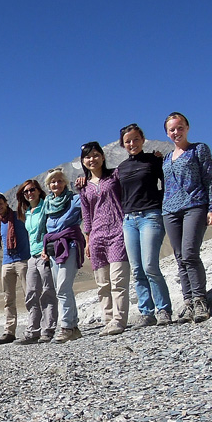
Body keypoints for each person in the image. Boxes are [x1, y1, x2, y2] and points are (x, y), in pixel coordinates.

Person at [162, 112, 212, 323]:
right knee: (179, 257)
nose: (176, 132)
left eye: (179, 127)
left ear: (187, 127)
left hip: (194, 206)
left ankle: (200, 300)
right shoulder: (166, 158)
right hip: (170, 211)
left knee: (190, 254)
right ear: (167, 133)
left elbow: (209, 179)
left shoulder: (199, 149)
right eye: (172, 129)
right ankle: (188, 302)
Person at [117, 123, 173, 327]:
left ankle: (164, 310)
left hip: (151, 216)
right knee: (137, 268)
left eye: (135, 139)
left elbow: (168, 182)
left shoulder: (154, 160)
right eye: (127, 141)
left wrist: (161, 201)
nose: (132, 144)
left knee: (150, 265)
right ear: (123, 145)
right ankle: (146, 312)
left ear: (142, 140)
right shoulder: (121, 168)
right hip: (129, 220)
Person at [78, 142, 130, 335]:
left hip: (118, 231)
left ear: (103, 156)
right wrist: (88, 240)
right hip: (97, 237)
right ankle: (108, 319)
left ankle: (119, 320)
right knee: (102, 284)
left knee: (118, 279)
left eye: (95, 155)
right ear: (83, 161)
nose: (92, 159)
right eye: (88, 157)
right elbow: (87, 216)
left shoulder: (115, 176)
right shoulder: (83, 188)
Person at [41, 168, 85, 343]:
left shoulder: (74, 200)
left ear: (65, 182)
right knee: (63, 289)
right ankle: (74, 327)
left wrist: (83, 187)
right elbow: (46, 228)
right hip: (53, 249)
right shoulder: (47, 204)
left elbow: (89, 206)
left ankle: (66, 327)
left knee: (63, 288)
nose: (56, 184)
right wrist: (44, 249)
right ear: (48, 185)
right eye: (52, 182)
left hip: (70, 246)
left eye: (59, 181)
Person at [16, 179, 57, 344]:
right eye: (25, 192)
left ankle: (49, 329)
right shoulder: (27, 213)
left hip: (44, 254)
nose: (29, 193)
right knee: (31, 293)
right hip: (32, 257)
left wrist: (46, 249)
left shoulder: (46, 206)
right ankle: (33, 331)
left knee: (47, 292)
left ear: (39, 190)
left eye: (32, 190)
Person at [0, 193, 31, 344]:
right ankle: (9, 331)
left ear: (6, 203)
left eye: (0, 203)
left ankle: (33, 327)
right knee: (8, 298)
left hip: (23, 260)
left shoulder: (19, 216)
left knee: (29, 294)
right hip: (7, 262)